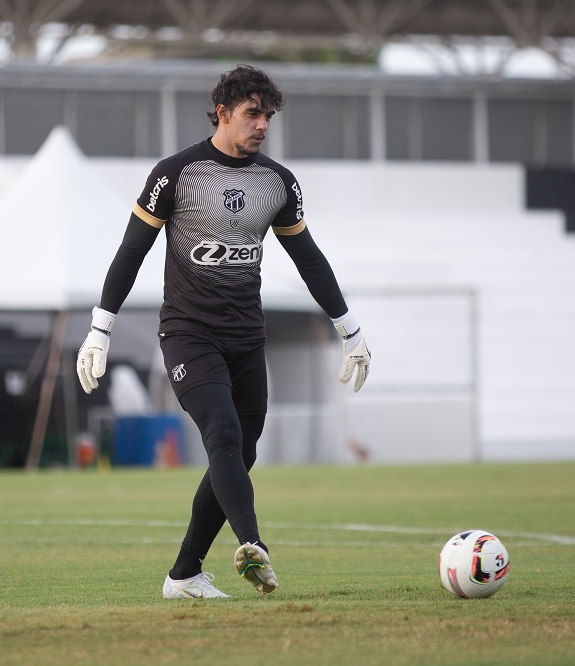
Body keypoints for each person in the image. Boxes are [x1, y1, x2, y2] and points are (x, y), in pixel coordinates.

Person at [75, 64, 371, 599]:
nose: (262, 124)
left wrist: (349, 330)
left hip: (246, 338)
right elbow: (131, 252)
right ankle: (253, 546)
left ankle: (184, 575)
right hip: (189, 334)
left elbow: (308, 258)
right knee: (225, 436)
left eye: (268, 115)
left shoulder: (278, 182)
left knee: (241, 452)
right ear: (223, 112)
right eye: (252, 113)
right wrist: (101, 329)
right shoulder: (176, 173)